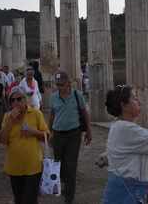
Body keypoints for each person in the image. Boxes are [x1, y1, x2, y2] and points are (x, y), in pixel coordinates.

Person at [100, 85, 148, 204]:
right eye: (135, 99)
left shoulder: (123, 126)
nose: (140, 103)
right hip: (125, 194)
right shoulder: (124, 128)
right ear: (124, 105)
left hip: (128, 192)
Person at [0, 87, 50, 204]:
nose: (15, 102)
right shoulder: (7, 117)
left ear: (24, 100)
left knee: (30, 198)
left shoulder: (36, 113)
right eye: (12, 100)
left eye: (18, 99)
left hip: (33, 165)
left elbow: (47, 136)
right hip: (14, 165)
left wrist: (35, 132)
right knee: (19, 198)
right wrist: (10, 121)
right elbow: (2, 140)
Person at [48, 71, 92, 204]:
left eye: (62, 84)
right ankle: (66, 184)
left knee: (71, 165)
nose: (60, 87)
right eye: (58, 84)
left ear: (67, 83)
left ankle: (69, 195)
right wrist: (48, 133)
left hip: (73, 134)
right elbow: (51, 115)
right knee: (59, 164)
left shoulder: (76, 95)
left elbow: (85, 113)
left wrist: (89, 131)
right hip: (57, 134)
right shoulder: (53, 97)